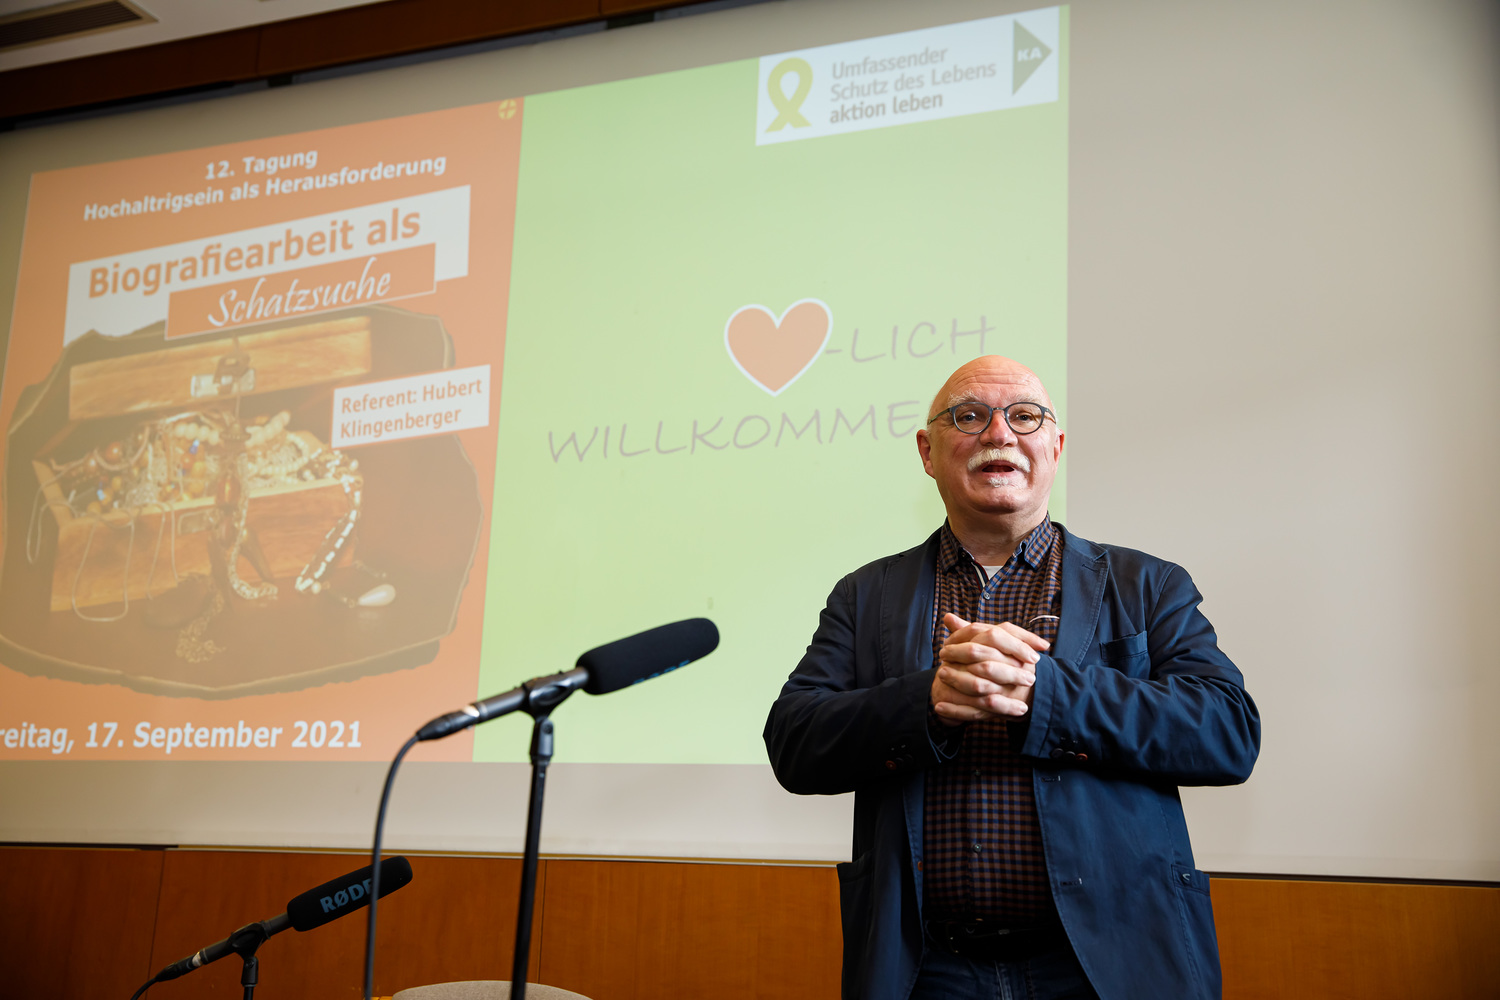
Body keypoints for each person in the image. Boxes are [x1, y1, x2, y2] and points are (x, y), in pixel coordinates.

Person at [764, 356, 1259, 1000]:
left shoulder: (1148, 584)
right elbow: (795, 741)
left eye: (1024, 416)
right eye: (968, 416)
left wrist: (1045, 692)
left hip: (1109, 963)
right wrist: (926, 702)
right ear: (927, 452)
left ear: (1055, 447)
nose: (998, 433)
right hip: (926, 968)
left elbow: (1227, 732)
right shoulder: (866, 595)